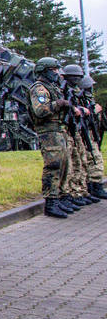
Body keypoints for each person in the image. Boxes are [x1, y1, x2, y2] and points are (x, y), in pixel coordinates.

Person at [29, 58, 75, 218]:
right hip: (48, 131)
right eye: (53, 70)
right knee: (53, 165)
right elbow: (40, 111)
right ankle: (51, 200)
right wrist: (58, 104)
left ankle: (60, 196)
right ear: (44, 70)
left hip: (58, 130)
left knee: (64, 164)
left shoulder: (52, 87)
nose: (56, 73)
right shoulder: (39, 89)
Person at [59, 64, 97, 206]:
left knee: (79, 161)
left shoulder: (73, 92)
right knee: (70, 163)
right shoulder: (63, 91)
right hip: (66, 130)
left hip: (74, 130)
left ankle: (79, 191)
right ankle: (71, 192)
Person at [79, 74, 106, 200]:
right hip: (86, 134)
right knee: (93, 159)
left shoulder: (88, 99)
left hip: (92, 134)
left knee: (95, 159)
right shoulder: (80, 99)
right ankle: (94, 186)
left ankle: (95, 185)